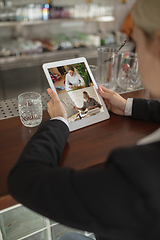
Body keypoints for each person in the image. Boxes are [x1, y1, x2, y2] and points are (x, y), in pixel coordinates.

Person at [7, 0, 160, 239]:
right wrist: (129, 105)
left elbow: (24, 181)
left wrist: (58, 121)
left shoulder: (140, 176)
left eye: (137, 43)